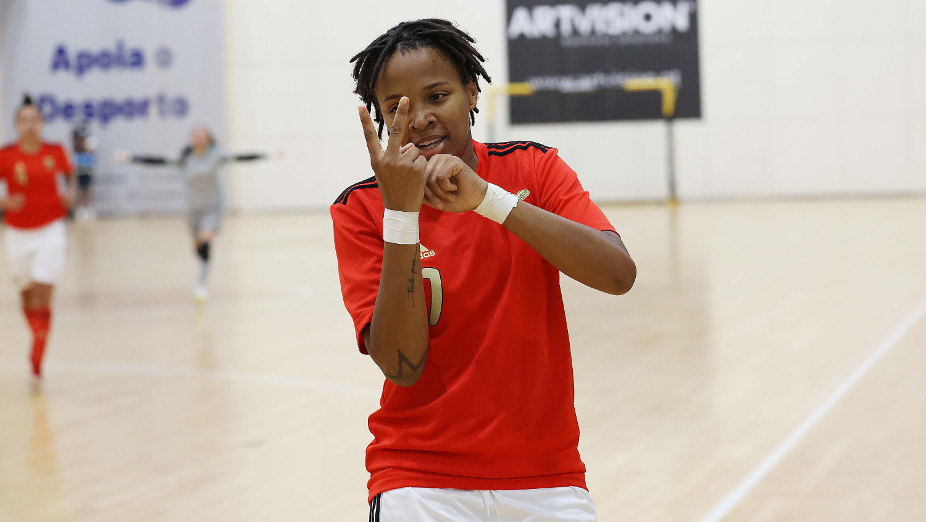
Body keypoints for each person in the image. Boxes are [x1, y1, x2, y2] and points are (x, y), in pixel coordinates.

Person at [331, 19, 636, 521]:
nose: (420, 119)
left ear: (472, 92)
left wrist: (489, 200)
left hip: (546, 476)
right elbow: (402, 366)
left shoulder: (534, 168)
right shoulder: (361, 209)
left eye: (437, 96)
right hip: (418, 481)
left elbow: (618, 275)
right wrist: (402, 215)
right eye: (397, 108)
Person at [114, 127, 267, 301]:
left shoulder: (216, 156)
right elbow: (159, 161)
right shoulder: (184, 158)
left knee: (205, 242)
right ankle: (201, 268)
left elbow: (240, 158)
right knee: (197, 247)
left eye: (202, 136)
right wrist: (131, 158)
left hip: (213, 207)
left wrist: (267, 155)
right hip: (193, 210)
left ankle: (201, 285)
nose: (199, 139)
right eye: (196, 136)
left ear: (209, 139)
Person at [0, 94, 76, 379]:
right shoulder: (6, 155)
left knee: (44, 291)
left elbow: (70, 177)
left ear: (42, 123)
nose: (30, 125)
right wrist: (4, 203)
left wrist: (70, 194)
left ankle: (37, 356)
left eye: (35, 119)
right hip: (17, 232)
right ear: (16, 125)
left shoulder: (54, 151)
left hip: (50, 229)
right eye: (24, 120)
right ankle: (38, 335)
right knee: (26, 297)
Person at [71, 119, 97, 221]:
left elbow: (91, 152)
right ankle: (80, 209)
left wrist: (85, 146)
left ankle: (89, 208)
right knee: (79, 190)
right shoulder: (75, 143)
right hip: (78, 170)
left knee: (87, 190)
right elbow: (74, 152)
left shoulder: (90, 141)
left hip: (87, 169)